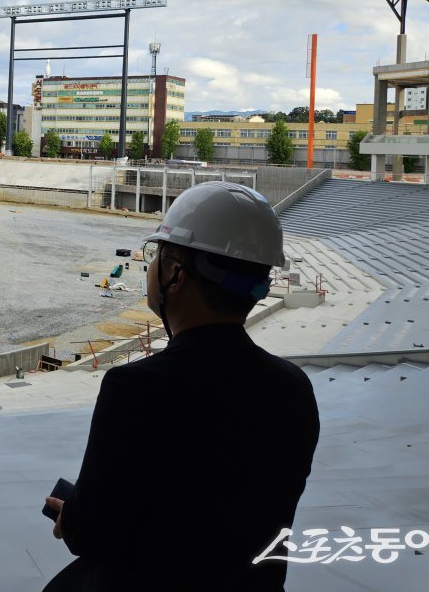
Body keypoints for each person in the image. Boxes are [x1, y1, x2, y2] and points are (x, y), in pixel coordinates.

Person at [43, 181, 320, 591]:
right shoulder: (293, 388)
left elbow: (93, 533)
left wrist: (73, 517)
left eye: (157, 256)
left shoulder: (135, 390)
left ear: (175, 274)